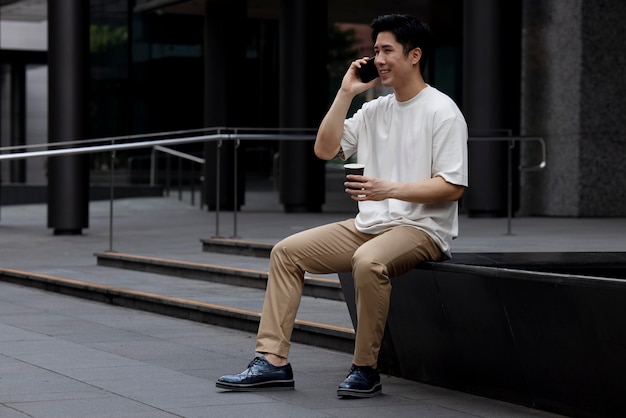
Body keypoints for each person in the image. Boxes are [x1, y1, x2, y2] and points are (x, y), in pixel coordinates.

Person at [216, 13, 468, 398]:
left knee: (368, 261)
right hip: (369, 225)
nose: (378, 59)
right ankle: (272, 362)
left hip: (420, 229)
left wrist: (390, 189)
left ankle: (366, 368)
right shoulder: (374, 109)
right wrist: (346, 92)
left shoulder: (442, 110)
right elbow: (325, 150)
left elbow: (452, 187)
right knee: (286, 253)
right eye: (376, 51)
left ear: (414, 55)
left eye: (387, 50)